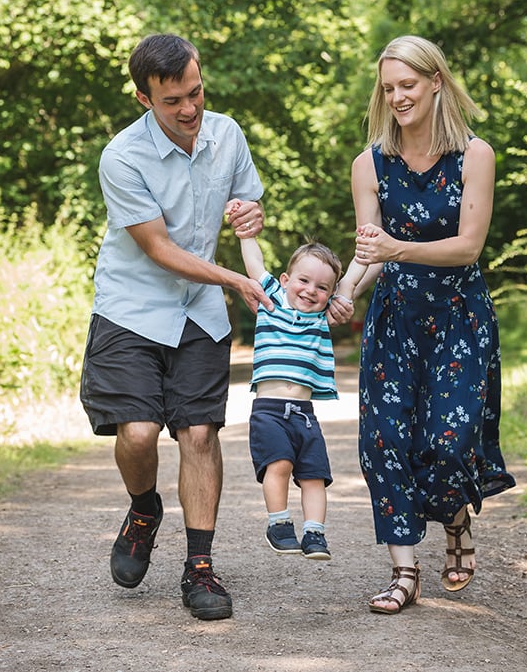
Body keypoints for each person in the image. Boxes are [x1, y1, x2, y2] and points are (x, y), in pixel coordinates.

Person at [79, 33, 272, 622]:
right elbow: (159, 248)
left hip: (200, 311)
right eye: (173, 101)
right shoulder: (123, 157)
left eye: (196, 92)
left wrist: (252, 217)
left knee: (200, 435)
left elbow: (249, 216)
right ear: (144, 99)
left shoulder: (228, 134)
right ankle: (143, 510)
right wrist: (235, 282)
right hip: (132, 308)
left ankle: (200, 568)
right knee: (136, 435)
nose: (190, 109)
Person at [331, 35, 516, 614]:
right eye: (388, 89)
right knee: (384, 439)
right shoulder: (370, 164)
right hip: (395, 320)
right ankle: (404, 571)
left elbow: (467, 247)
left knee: (447, 440)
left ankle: (457, 518)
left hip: (459, 318)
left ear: (436, 82)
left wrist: (396, 248)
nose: (397, 97)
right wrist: (341, 292)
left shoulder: (474, 155)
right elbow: (368, 251)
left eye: (407, 85)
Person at [237, 226, 363, 561]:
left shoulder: (323, 316)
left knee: (314, 476)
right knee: (277, 465)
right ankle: (279, 524)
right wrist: (245, 233)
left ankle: (314, 533)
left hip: (304, 413)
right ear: (284, 280)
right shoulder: (271, 301)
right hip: (269, 411)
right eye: (303, 281)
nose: (310, 291)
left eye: (322, 287)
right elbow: (253, 264)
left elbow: (353, 278)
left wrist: (365, 248)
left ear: (330, 294)